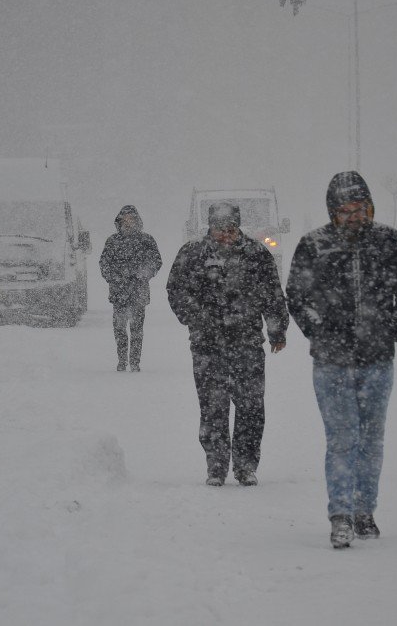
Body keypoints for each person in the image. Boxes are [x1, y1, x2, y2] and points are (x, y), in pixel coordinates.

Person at [286, 171, 397, 549]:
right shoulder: (313, 245)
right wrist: (318, 331)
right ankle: (341, 515)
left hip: (377, 360)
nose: (352, 216)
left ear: (370, 207)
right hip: (331, 363)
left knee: (372, 439)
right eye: (343, 210)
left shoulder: (390, 242)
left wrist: (394, 327)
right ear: (332, 212)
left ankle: (365, 510)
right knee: (343, 438)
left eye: (358, 208)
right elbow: (297, 297)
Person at [166, 202, 289, 487]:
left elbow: (272, 294)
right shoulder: (192, 254)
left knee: (251, 406)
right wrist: (196, 318)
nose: (225, 235)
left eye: (230, 229)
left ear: (238, 226)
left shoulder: (257, 254)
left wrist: (277, 330)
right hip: (207, 345)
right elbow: (176, 290)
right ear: (210, 227)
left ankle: (246, 465)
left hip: (247, 343)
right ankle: (216, 466)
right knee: (213, 407)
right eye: (219, 229)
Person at [99, 205, 162, 372]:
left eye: (131, 219)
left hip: (138, 291)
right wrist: (113, 277)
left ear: (137, 221)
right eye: (124, 219)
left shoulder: (146, 240)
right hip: (119, 293)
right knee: (119, 328)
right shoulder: (112, 241)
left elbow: (156, 261)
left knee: (136, 329)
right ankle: (121, 360)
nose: (127, 223)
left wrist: (144, 273)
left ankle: (134, 362)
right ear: (119, 221)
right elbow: (104, 263)